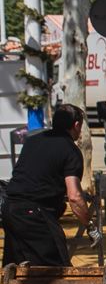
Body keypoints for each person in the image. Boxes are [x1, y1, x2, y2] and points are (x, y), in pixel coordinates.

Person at [2, 103, 89, 266]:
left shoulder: (32, 141)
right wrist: (89, 224)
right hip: (35, 214)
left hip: (10, 209)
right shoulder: (71, 150)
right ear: (76, 125)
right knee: (56, 271)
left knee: (15, 273)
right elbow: (75, 197)